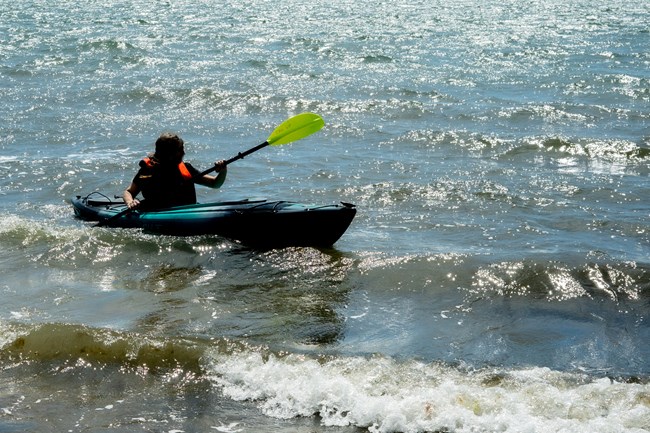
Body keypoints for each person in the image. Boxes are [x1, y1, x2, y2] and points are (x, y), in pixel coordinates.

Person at [123, 132, 227, 210]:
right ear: (168, 153)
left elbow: (215, 184)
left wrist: (223, 170)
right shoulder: (148, 170)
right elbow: (129, 192)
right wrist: (130, 202)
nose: (184, 152)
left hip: (186, 212)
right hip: (157, 213)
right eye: (180, 150)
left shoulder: (185, 168)